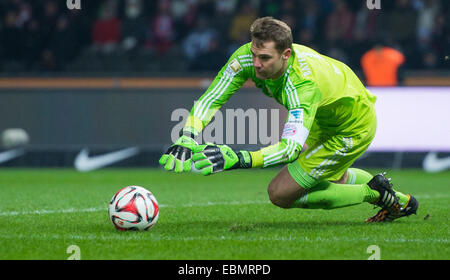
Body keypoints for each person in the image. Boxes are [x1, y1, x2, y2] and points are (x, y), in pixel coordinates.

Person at [159, 17, 418, 222]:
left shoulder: (301, 85)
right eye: (253, 53)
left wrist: (239, 159)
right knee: (333, 180)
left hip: (351, 125)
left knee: (281, 193)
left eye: (265, 58)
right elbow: (211, 98)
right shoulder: (245, 58)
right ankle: (403, 202)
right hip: (324, 116)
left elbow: (290, 149)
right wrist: (187, 135)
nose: (256, 63)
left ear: (285, 55)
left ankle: (376, 194)